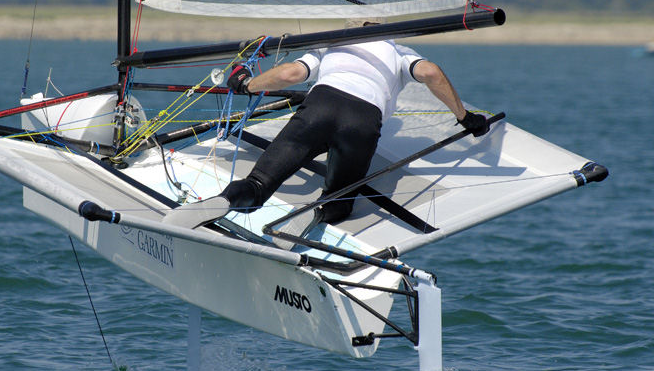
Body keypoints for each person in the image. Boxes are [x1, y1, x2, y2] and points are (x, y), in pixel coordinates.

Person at [163, 23, 488, 234]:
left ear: (357, 27)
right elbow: (431, 73)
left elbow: (289, 74)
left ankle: (222, 202)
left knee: (258, 184)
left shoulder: (333, 43)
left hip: (320, 106)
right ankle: (314, 215)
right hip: (363, 120)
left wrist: (246, 84)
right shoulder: (400, 53)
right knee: (338, 202)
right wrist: (463, 117)